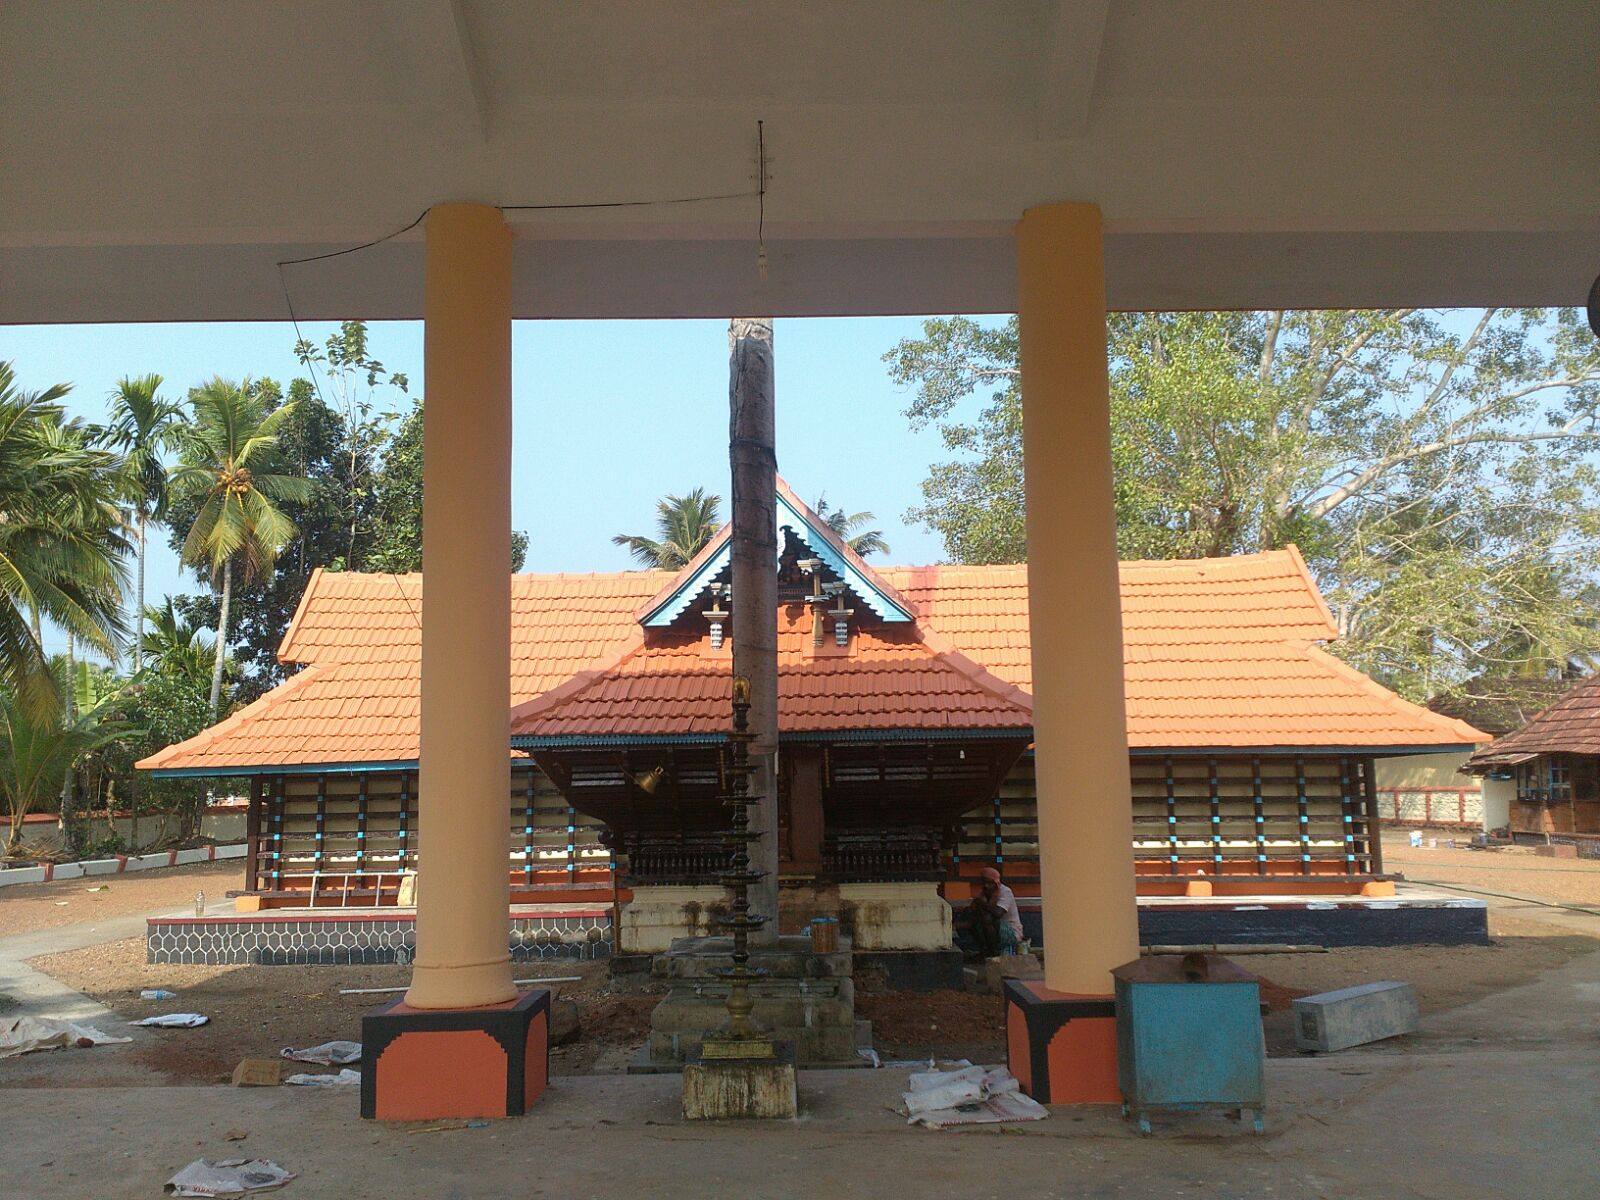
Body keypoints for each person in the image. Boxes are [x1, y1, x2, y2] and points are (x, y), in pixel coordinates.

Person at [955, 867, 1024, 959]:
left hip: (1010, 931)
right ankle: (983, 950)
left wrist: (983, 903)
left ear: (996, 882)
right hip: (992, 929)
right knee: (970, 917)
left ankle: (992, 952)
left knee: (988, 921)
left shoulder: (1005, 892)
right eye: (984, 883)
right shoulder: (985, 893)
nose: (986, 886)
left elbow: (998, 913)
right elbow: (973, 912)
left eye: (989, 883)